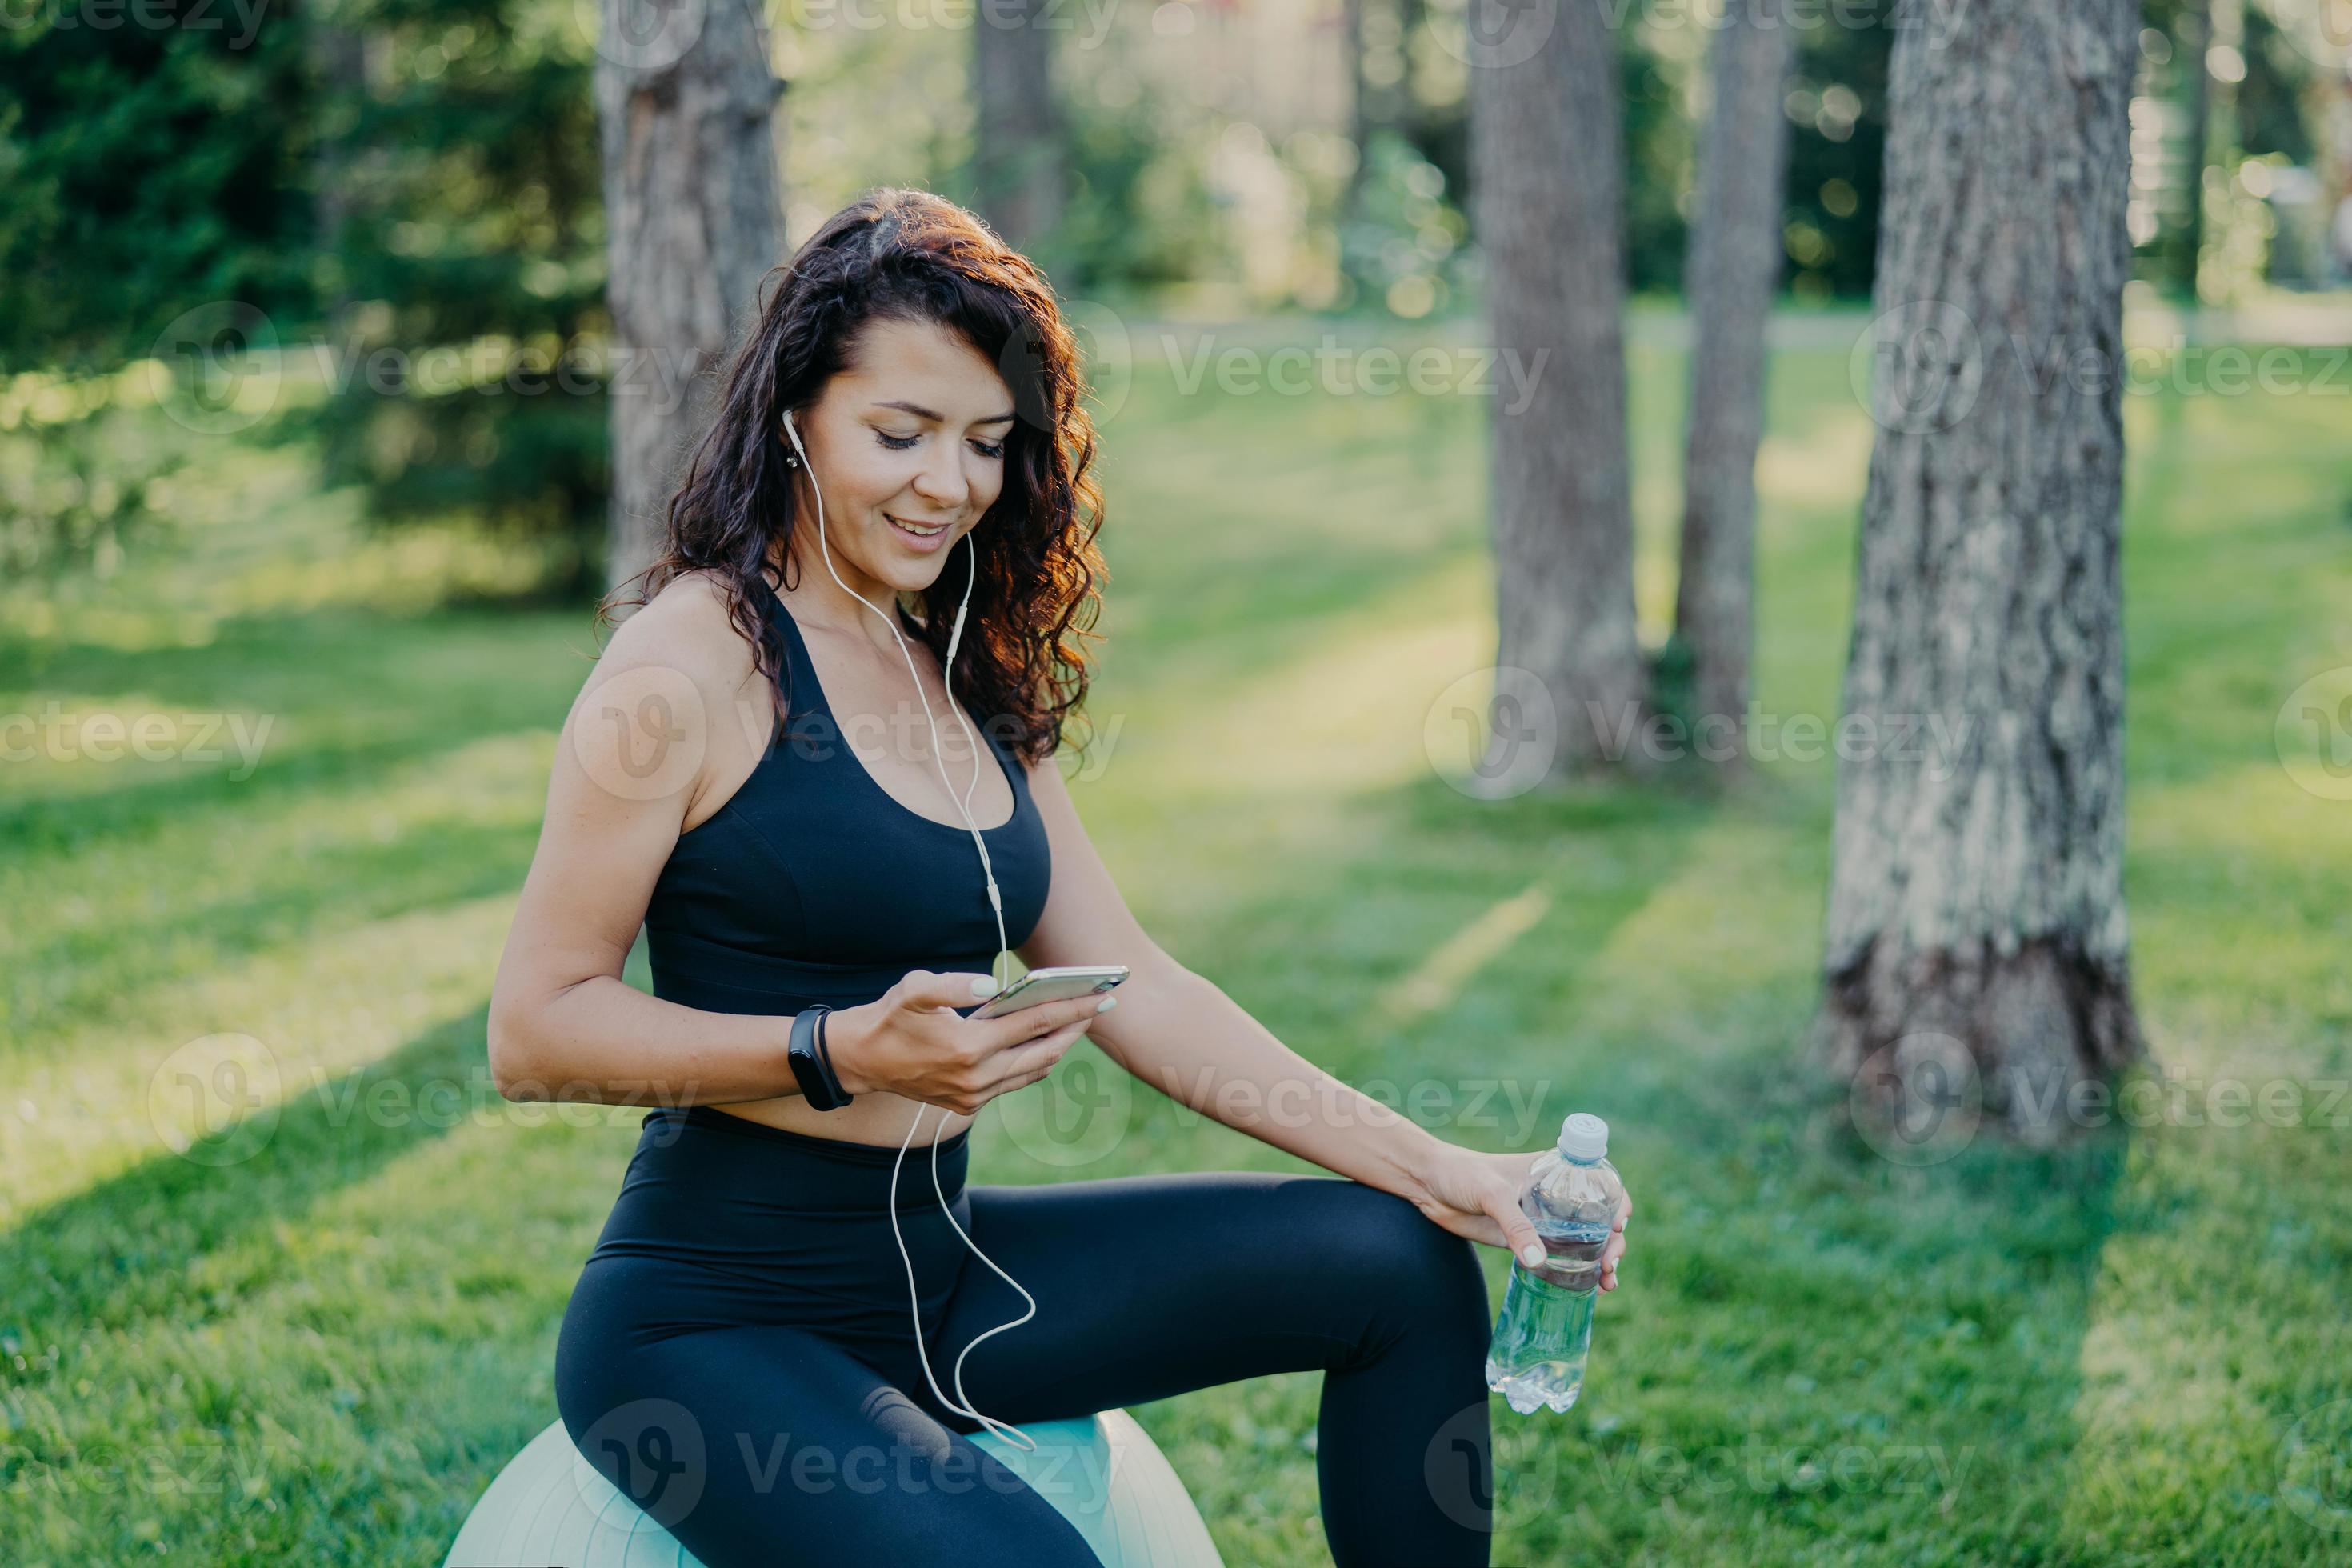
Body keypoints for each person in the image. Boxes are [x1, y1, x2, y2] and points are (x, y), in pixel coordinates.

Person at [486, 188, 1630, 1568]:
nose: (947, 486)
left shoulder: (951, 657)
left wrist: (1443, 1171)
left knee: (1396, 1269)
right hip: (715, 1320)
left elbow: (1134, 978)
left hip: (946, 1269)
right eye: (898, 434)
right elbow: (537, 1027)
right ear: (795, 416)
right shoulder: (688, 664)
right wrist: (838, 1047)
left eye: (985, 443)